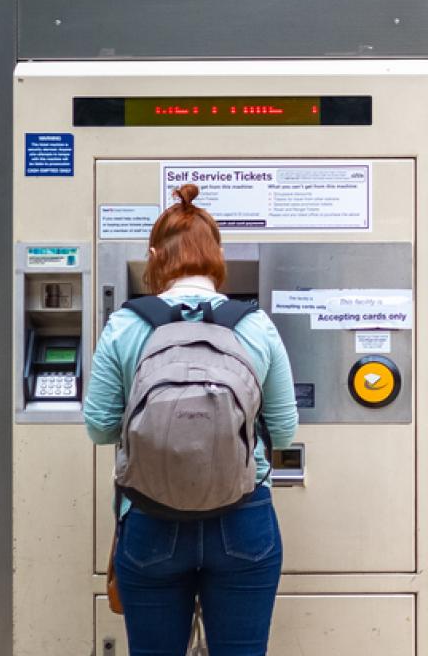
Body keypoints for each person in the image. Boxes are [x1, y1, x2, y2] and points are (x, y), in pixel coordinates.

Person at [84, 184, 299, 656]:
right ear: (217, 255)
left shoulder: (125, 324)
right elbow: (284, 430)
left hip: (149, 517)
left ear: (154, 255)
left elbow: (99, 426)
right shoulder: (254, 325)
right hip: (243, 517)